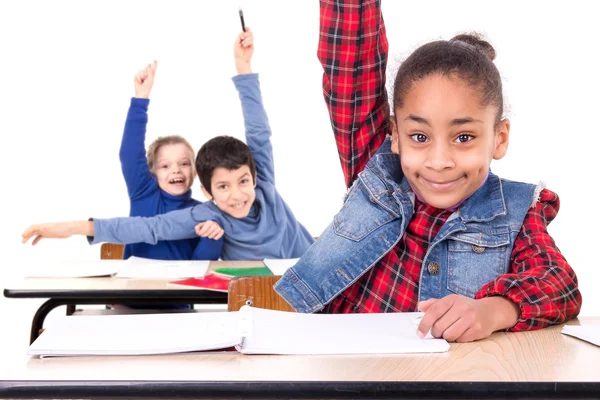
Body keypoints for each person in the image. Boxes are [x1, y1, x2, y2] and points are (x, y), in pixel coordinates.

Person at [273, 0, 582, 343]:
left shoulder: (517, 213)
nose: (439, 161)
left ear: (499, 138)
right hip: (335, 377)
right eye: (419, 137)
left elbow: (558, 284)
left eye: (463, 137)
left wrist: (493, 310)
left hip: (439, 384)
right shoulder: (376, 171)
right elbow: (351, 63)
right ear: (394, 134)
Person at [22, 29, 314, 261]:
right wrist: (72, 228)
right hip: (260, 296)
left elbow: (258, 131)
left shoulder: (259, 185)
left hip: (314, 270)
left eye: (243, 181)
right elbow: (147, 227)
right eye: (223, 186)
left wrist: (243, 66)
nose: (237, 194)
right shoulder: (202, 213)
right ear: (207, 191)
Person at [120, 60, 223, 261]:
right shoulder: (143, 194)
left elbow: (200, 267)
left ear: (194, 172)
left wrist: (212, 238)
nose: (175, 170)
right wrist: (140, 98)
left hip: (178, 292)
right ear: (152, 173)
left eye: (183, 163)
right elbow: (129, 153)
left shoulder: (202, 212)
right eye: (165, 166)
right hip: (136, 289)